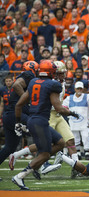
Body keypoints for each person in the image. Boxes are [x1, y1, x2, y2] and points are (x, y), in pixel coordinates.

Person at [12, 60, 79, 190]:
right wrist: (71, 113)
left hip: (34, 119)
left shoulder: (32, 82)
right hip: (41, 121)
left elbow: (19, 104)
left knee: (60, 142)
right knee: (45, 154)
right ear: (51, 71)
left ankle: (39, 161)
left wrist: (18, 122)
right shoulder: (52, 85)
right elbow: (59, 108)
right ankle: (21, 176)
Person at [0, 62, 39, 168]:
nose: (38, 71)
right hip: (15, 114)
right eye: (36, 69)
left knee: (10, 147)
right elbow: (16, 85)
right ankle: (43, 163)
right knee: (41, 131)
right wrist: (26, 99)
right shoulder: (28, 75)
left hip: (9, 115)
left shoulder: (26, 76)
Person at [63, 81, 89, 160]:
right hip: (73, 122)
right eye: (78, 88)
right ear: (75, 89)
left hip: (84, 122)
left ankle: (87, 151)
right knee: (75, 137)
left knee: (85, 136)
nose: (79, 90)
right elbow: (63, 106)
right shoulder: (69, 98)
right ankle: (77, 152)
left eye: (81, 88)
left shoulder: (87, 97)